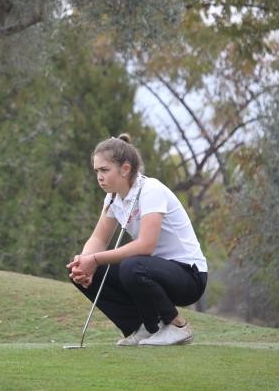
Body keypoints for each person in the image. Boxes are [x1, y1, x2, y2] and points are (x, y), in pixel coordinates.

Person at [67, 133, 208, 346]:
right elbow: (98, 238)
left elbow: (146, 246)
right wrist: (84, 263)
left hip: (189, 276)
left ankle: (178, 326)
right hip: (153, 272)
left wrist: (94, 259)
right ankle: (142, 326)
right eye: (97, 171)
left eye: (105, 170)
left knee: (132, 265)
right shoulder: (113, 197)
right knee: (84, 268)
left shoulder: (150, 190)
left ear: (125, 169)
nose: (99, 177)